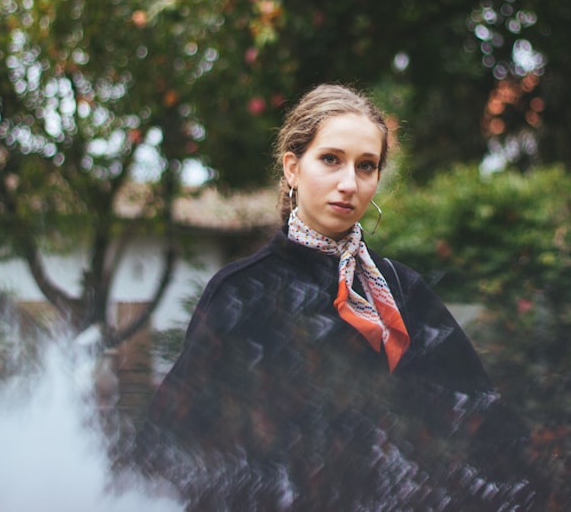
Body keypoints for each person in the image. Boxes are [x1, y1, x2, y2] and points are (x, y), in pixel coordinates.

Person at [134, 84, 541, 511]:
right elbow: (168, 447)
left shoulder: (402, 292)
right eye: (331, 159)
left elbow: (485, 427)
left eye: (366, 166)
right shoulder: (240, 292)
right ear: (293, 167)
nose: (349, 183)